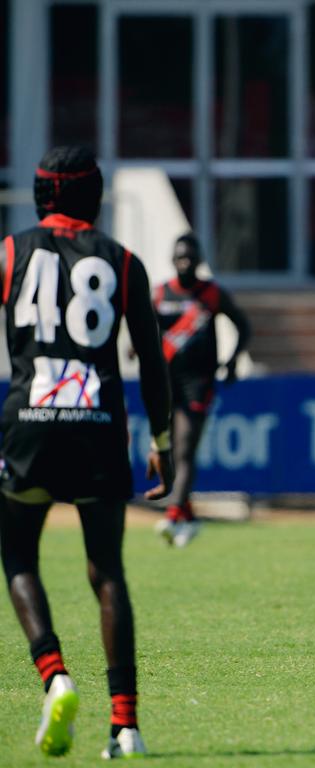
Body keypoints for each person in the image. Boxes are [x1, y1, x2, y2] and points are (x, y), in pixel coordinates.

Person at [0, 145, 173, 758]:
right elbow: (152, 363)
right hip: (99, 424)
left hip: (30, 421)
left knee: (17, 550)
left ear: (41, 194)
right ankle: (125, 725)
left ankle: (55, 672)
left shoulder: (9, 252)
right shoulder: (123, 262)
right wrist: (163, 442)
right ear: (95, 196)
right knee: (107, 573)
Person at [152, 233, 251, 547]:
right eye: (180, 257)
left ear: (198, 260)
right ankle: (188, 516)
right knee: (165, 448)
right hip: (165, 382)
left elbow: (243, 326)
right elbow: (145, 331)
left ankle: (171, 515)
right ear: (172, 259)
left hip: (199, 381)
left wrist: (233, 361)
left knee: (184, 448)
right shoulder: (159, 294)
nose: (185, 263)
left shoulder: (211, 294)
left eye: (190, 258)